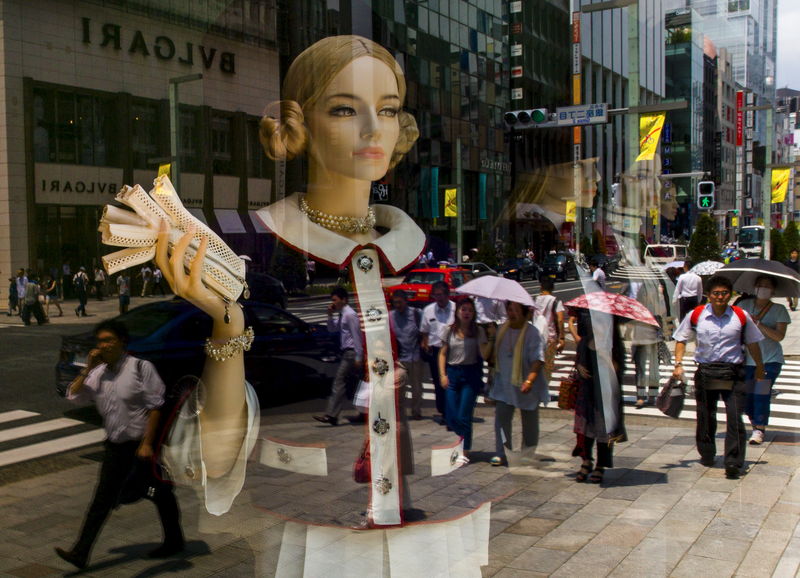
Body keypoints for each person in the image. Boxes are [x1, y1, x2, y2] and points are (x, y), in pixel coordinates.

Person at [55, 320, 183, 569]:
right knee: (101, 501)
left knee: (159, 494)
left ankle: (174, 540)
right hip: (115, 447)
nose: (103, 345)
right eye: (100, 341)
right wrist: (87, 369)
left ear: (122, 342)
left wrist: (147, 444)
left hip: (140, 447)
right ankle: (81, 552)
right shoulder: (98, 373)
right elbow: (74, 396)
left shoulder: (140, 368)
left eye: (108, 340)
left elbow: (155, 406)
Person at [672, 275, 765, 479]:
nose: (720, 297)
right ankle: (706, 452)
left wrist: (759, 366)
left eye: (724, 293)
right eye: (716, 293)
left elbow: (753, 343)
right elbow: (680, 339)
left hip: (733, 372)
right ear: (708, 295)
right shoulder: (697, 315)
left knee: (734, 417)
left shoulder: (740, 316)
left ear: (730, 295)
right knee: (706, 415)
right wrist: (678, 364)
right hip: (706, 372)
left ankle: (733, 461)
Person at [568, 309, 627, 484]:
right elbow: (579, 361)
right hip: (587, 392)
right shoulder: (585, 340)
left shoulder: (613, 344)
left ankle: (601, 465)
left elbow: (617, 370)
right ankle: (586, 461)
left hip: (605, 394)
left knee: (604, 431)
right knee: (585, 429)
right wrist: (579, 367)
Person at [490, 300, 546, 466]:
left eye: (515, 310)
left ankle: (527, 452)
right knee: (502, 419)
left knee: (529, 421)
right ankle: (502, 452)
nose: (511, 313)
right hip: (504, 383)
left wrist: (530, 379)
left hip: (526, 383)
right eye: (509, 309)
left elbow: (538, 359)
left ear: (524, 312)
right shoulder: (501, 330)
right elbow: (492, 357)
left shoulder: (532, 333)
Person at [736, 275, 790, 445]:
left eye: (767, 286)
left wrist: (759, 324)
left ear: (773, 290)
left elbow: (779, 336)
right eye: (760, 285)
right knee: (749, 397)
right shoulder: (743, 306)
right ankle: (755, 423)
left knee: (761, 393)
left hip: (769, 360)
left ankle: (759, 429)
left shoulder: (779, 309)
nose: (763, 289)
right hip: (747, 360)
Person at [438, 297, 490, 459]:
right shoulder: (449, 330)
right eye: (463, 309)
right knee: (451, 416)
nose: (466, 313)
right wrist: (442, 375)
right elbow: (443, 353)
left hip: (470, 375)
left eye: (470, 310)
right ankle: (463, 436)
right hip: (453, 373)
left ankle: (465, 449)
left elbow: (484, 353)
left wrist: (491, 336)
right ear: (458, 312)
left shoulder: (478, 331)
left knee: (464, 415)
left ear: (474, 313)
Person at [313, 287, 363, 426]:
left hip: (351, 353)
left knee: (339, 382)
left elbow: (356, 336)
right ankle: (364, 412)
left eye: (335, 300)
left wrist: (359, 357)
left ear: (344, 300)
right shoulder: (342, 314)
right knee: (354, 385)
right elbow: (332, 329)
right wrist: (330, 315)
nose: (333, 303)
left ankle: (331, 415)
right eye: (332, 300)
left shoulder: (349, 315)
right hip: (347, 353)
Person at [420, 280, 455, 424]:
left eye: (441, 295)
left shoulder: (455, 309)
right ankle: (443, 411)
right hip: (436, 350)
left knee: (452, 381)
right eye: (436, 295)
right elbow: (424, 331)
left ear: (447, 294)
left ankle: (452, 411)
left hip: (453, 350)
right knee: (439, 382)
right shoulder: (428, 310)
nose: (438, 298)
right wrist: (425, 343)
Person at [389, 290, 424, 420]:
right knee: (399, 387)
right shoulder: (391, 316)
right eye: (395, 303)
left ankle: (416, 411)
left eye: (400, 302)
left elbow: (425, 330)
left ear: (405, 301)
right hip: (400, 359)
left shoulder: (416, 314)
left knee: (416, 388)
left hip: (415, 357)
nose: (397, 305)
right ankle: (399, 411)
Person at [630, 281, 665, 408]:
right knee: (641, 366)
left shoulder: (659, 299)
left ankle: (652, 394)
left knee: (654, 367)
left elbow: (663, 313)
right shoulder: (637, 302)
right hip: (640, 336)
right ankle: (640, 396)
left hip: (655, 337)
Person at [532, 278, 565, 382]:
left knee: (536, 364)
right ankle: (544, 390)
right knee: (548, 365)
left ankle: (535, 388)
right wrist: (562, 338)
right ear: (552, 288)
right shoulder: (555, 301)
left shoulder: (535, 300)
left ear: (541, 287)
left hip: (536, 337)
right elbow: (560, 320)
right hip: (550, 338)